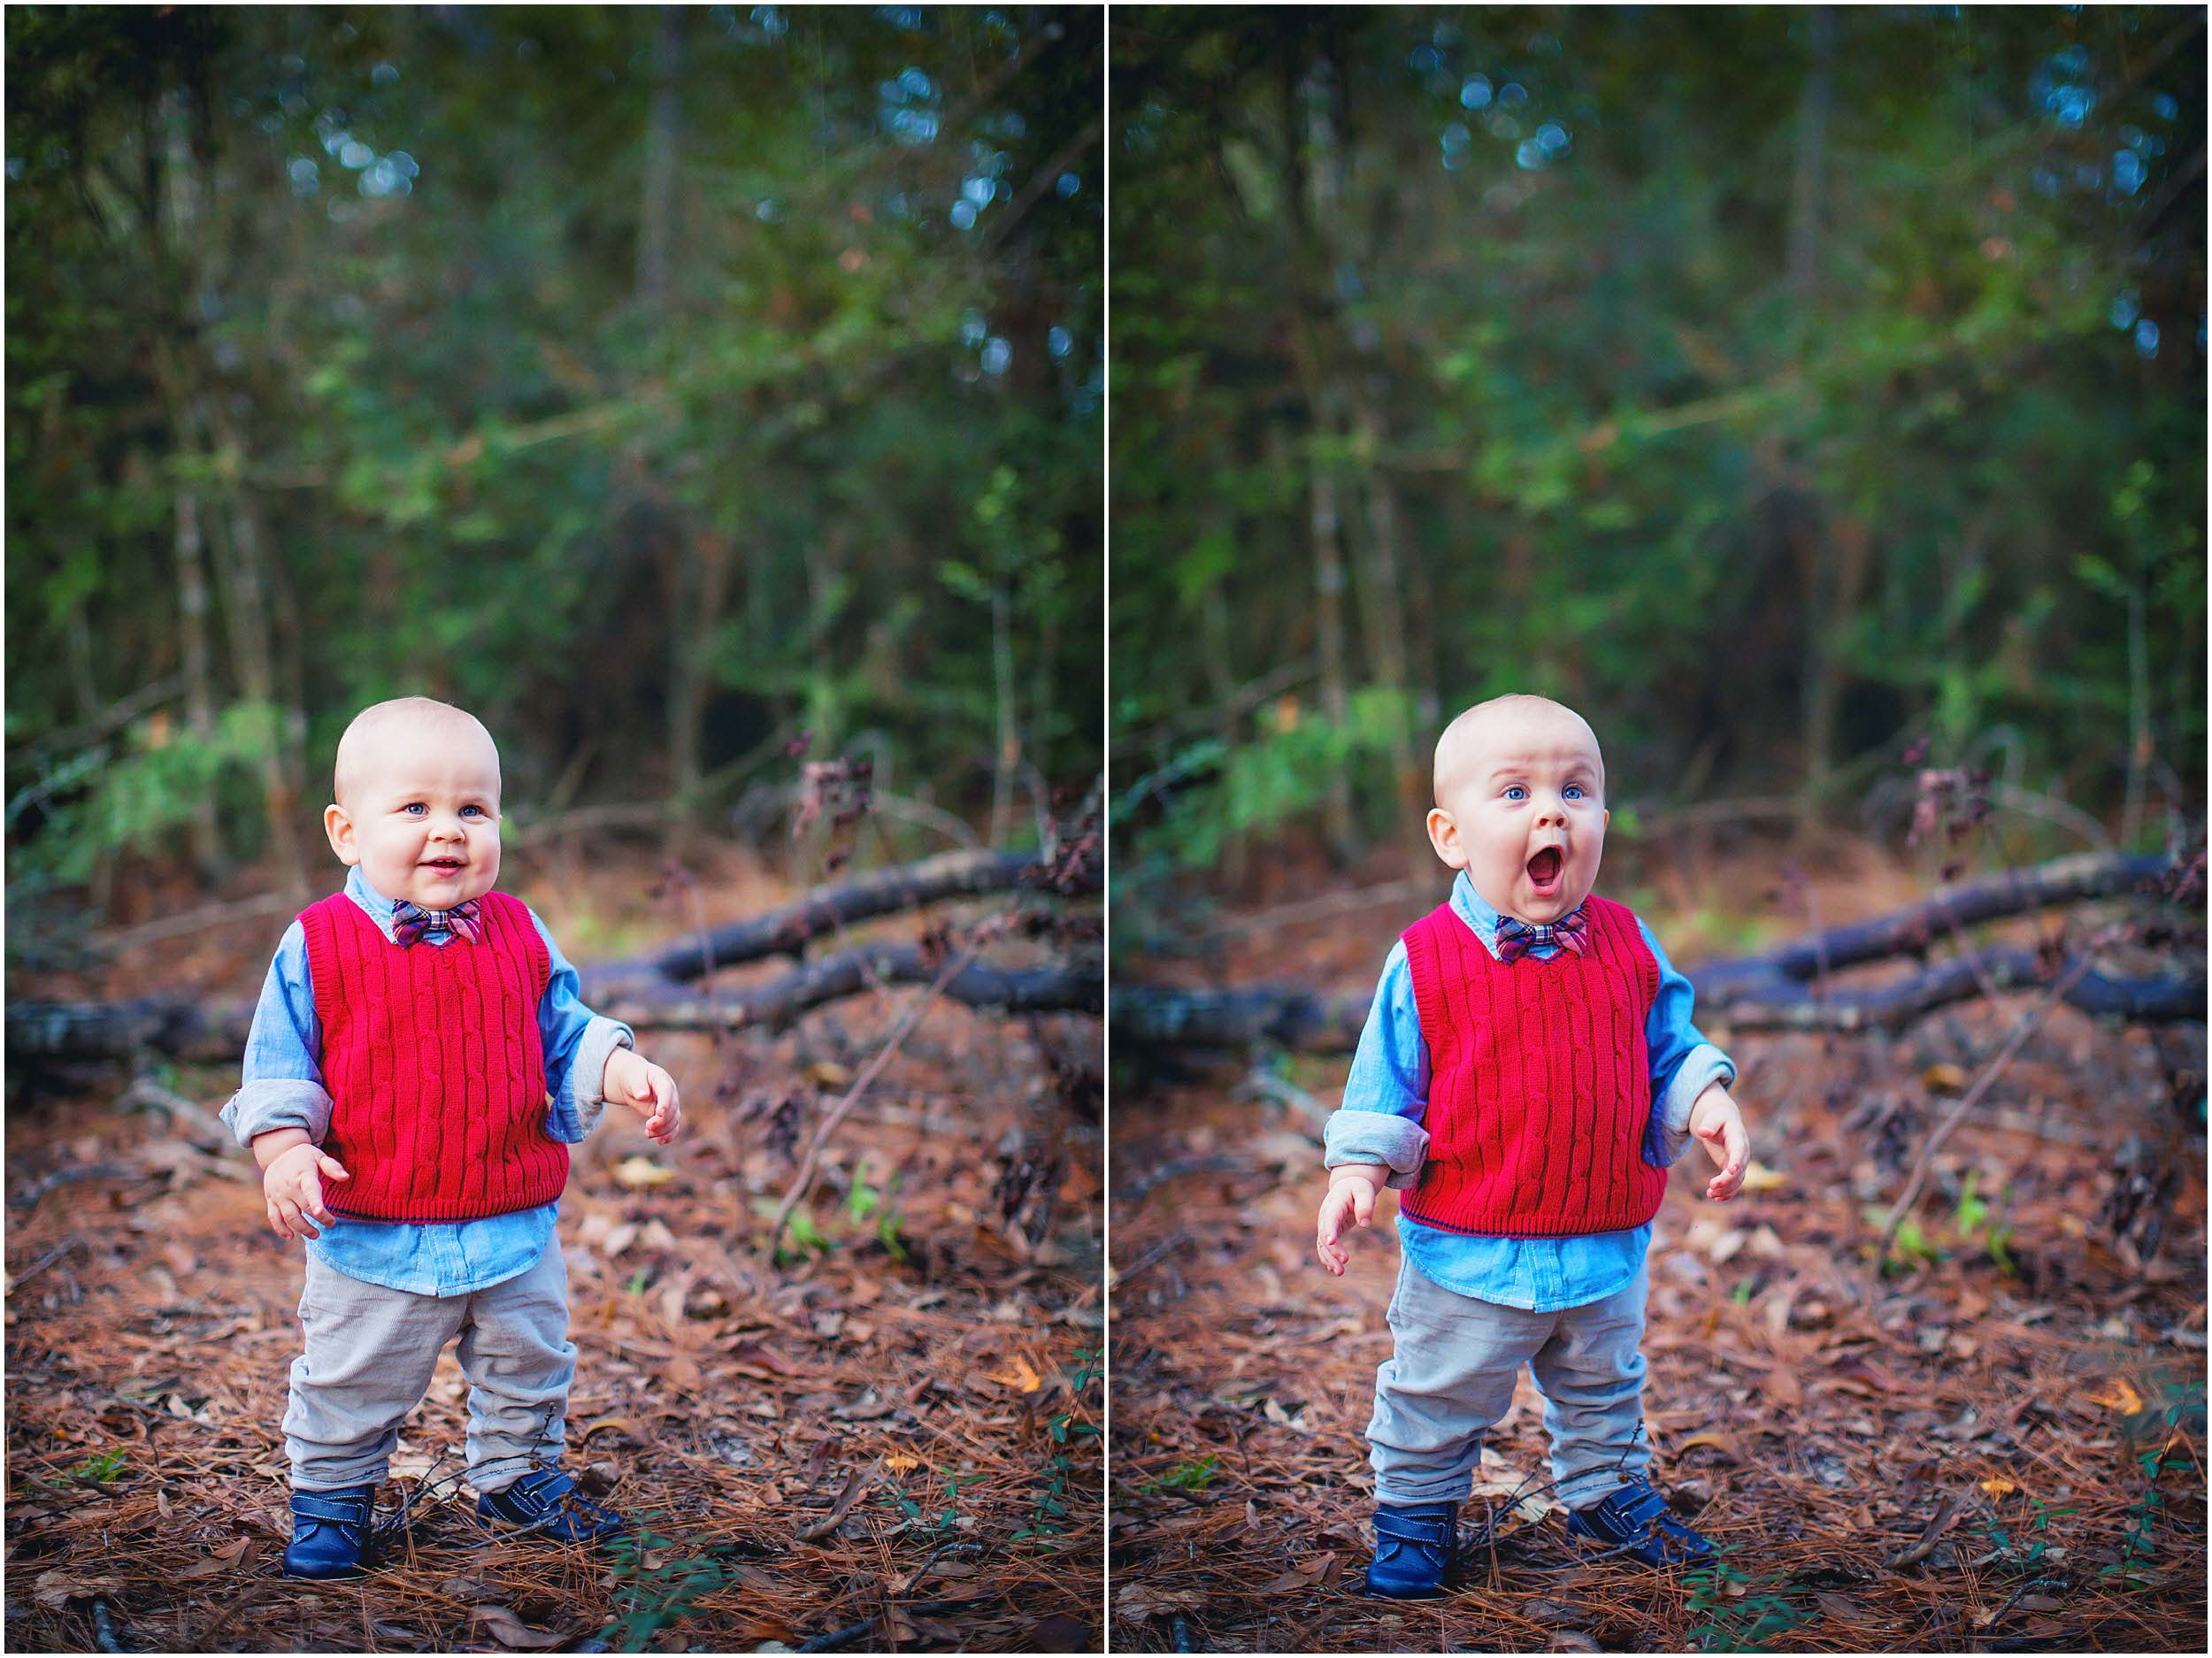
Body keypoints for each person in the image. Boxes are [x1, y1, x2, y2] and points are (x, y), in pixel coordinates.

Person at [223, 696, 683, 1579]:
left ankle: (517, 1476)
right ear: (346, 831)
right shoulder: (316, 944)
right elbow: (280, 1066)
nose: (449, 831)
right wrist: (283, 1150)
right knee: (354, 1377)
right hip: (374, 1229)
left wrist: (627, 1073)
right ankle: (332, 1496)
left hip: (511, 1218)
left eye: (473, 809)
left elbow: (565, 1027)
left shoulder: (516, 928)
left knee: (530, 1362)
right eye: (415, 808)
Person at [1315, 694, 1751, 1599]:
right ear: (1450, 834)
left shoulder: (1629, 943)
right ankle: (1415, 1509)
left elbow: (1669, 1043)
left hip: (1604, 1231)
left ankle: (1605, 1490)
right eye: (1513, 792)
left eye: (1575, 790)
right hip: (1471, 1242)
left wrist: (1704, 1099)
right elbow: (1384, 1082)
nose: (1552, 809)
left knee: (1603, 1383)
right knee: (1439, 1391)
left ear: (1601, 818)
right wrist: (1358, 1170)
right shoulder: (1427, 958)